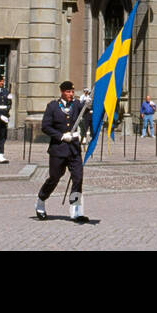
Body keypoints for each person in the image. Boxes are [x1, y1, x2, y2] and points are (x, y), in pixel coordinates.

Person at [36, 81, 88, 222]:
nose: (71, 94)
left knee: (78, 177)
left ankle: (75, 209)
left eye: (72, 92)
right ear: (62, 92)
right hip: (58, 149)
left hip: (74, 149)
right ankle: (41, 200)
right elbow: (45, 126)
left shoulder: (76, 105)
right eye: (68, 92)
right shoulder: (52, 106)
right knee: (54, 178)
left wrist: (89, 103)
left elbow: (87, 111)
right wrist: (60, 136)